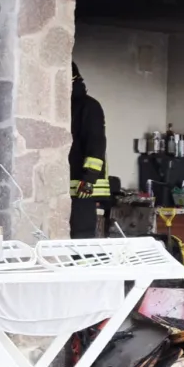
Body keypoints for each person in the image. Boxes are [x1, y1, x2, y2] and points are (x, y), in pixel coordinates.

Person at [68, 62, 110, 238]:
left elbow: (96, 143)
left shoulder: (89, 107)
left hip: (85, 187)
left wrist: (89, 179)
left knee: (81, 235)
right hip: (71, 185)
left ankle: (84, 265)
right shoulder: (67, 106)